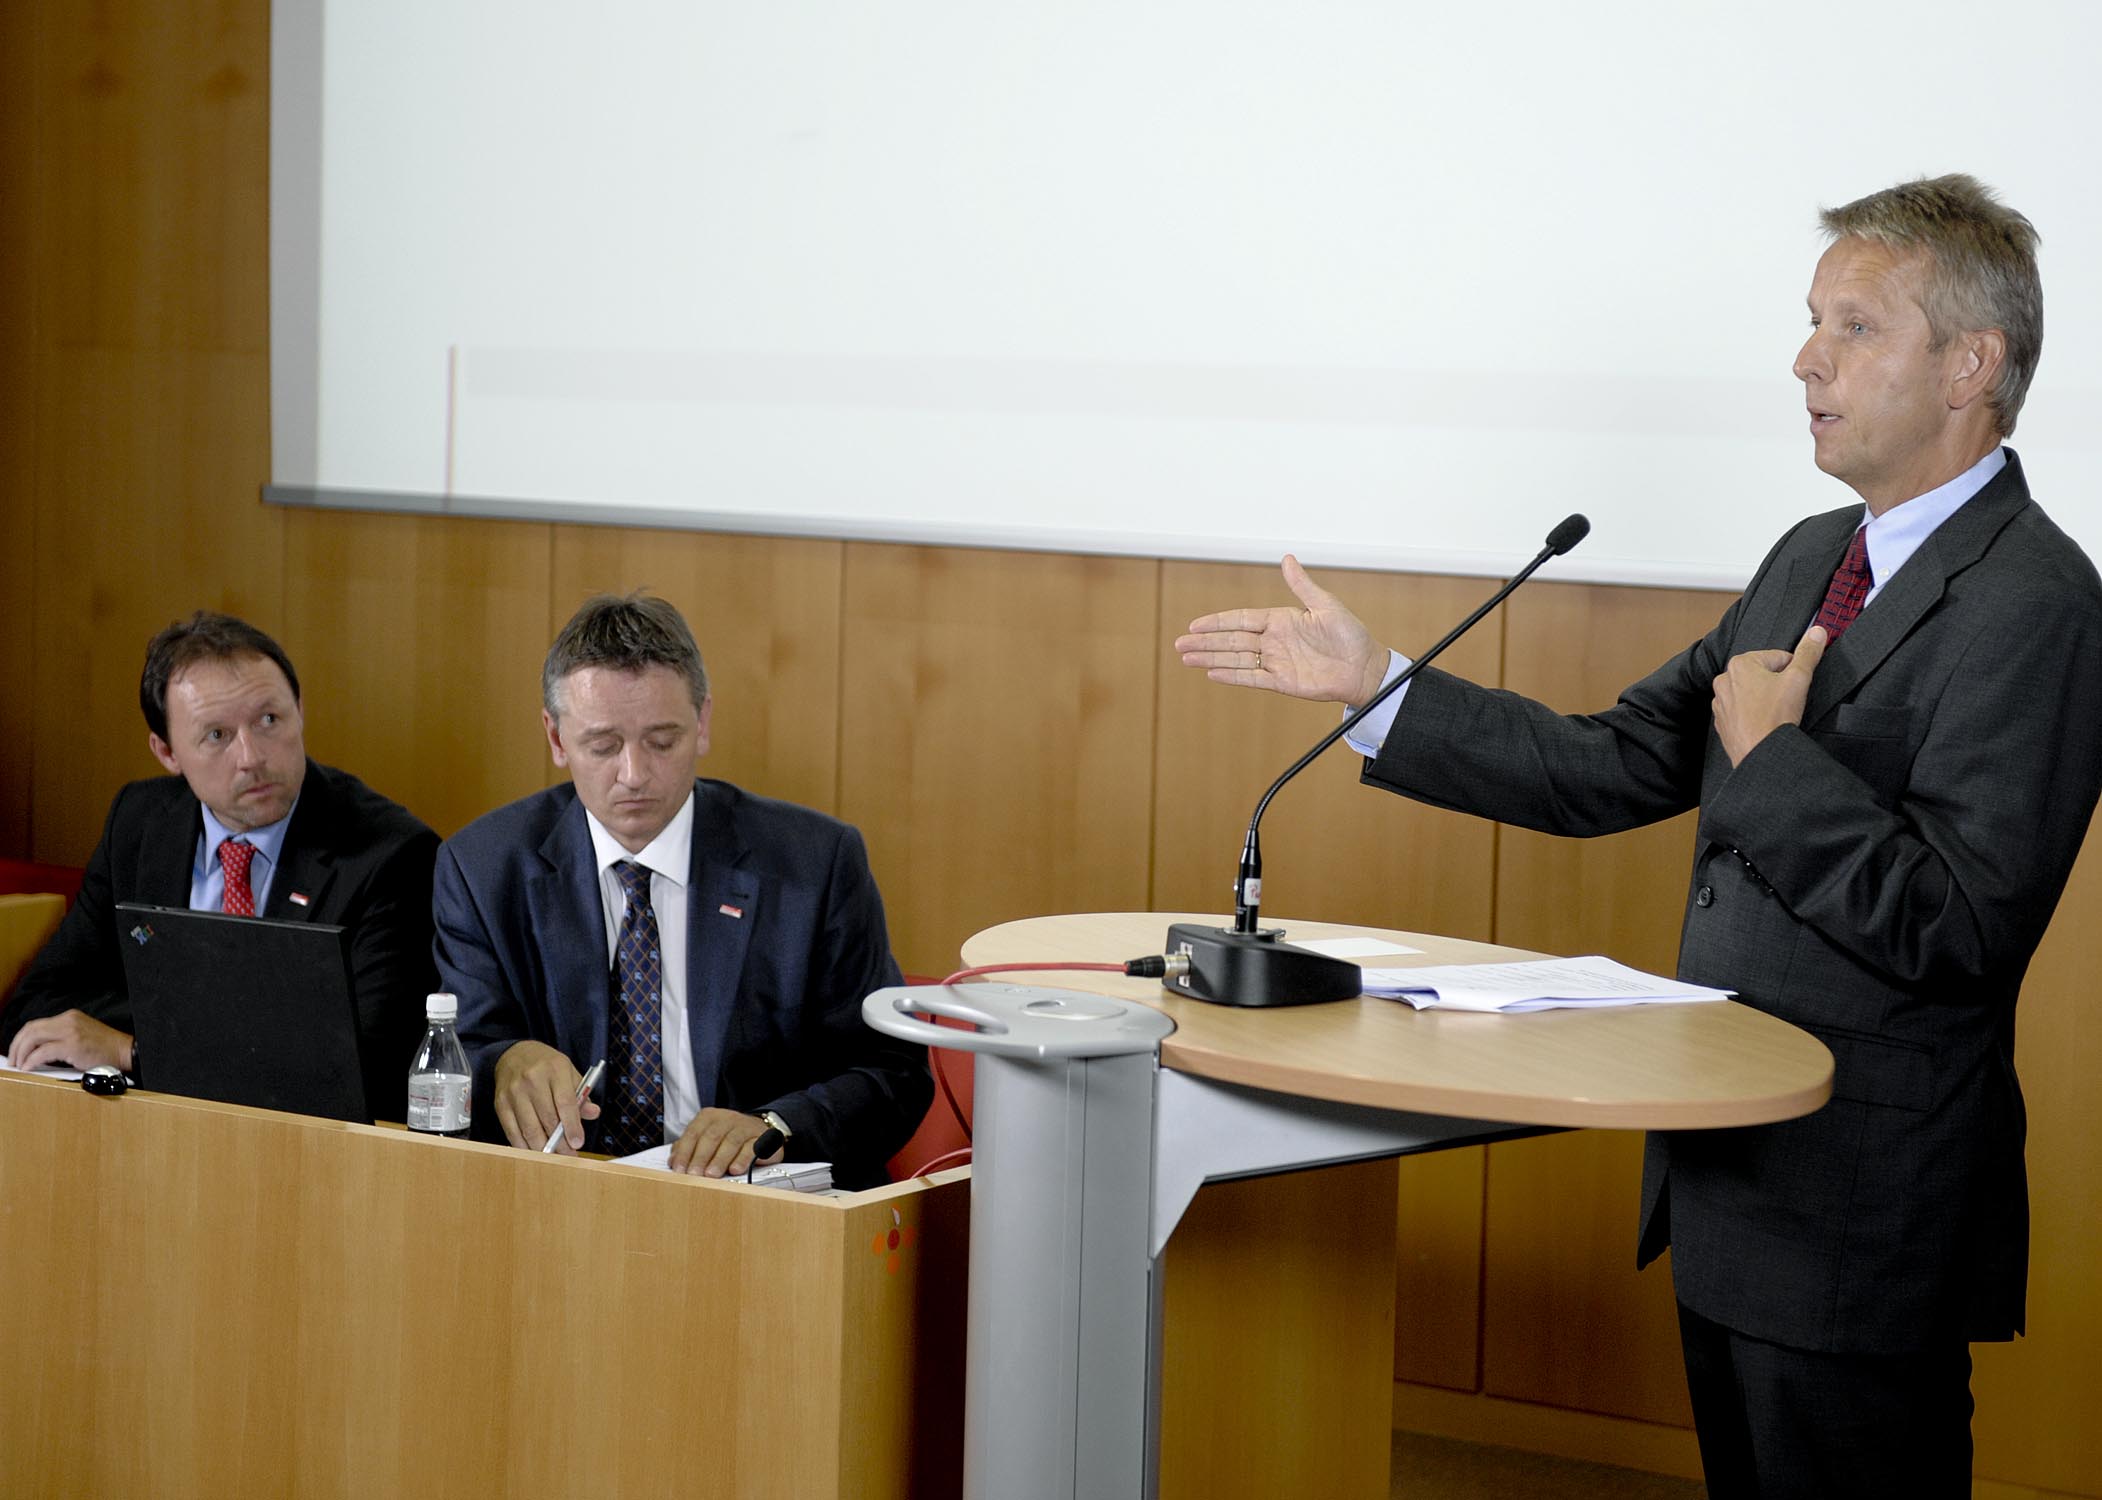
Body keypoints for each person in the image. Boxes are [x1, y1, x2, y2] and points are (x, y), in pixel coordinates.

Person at [1174, 175, 2102, 1498]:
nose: (1803, 359)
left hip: (1860, 1204)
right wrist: (1375, 685)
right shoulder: (1807, 554)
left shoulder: (2039, 605)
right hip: (1729, 1171)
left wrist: (1775, 763)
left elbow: (1957, 924)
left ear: (1971, 365)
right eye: (1809, 321)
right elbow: (1607, 765)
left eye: (1852, 327)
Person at [432, 591, 928, 1188]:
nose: (635, 774)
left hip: (759, 1211)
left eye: (662, 742)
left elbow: (893, 1073)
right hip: (565, 1198)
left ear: (703, 724)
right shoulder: (483, 868)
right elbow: (460, 1049)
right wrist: (504, 1062)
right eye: (603, 745)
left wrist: (776, 1126)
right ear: (557, 739)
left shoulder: (815, 865)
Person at [1, 612, 439, 1121]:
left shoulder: (391, 855)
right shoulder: (141, 825)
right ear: (167, 751)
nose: (251, 756)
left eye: (269, 721)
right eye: (216, 735)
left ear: (300, 710)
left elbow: (364, 1066)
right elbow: (39, 1006)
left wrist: (132, 1050)